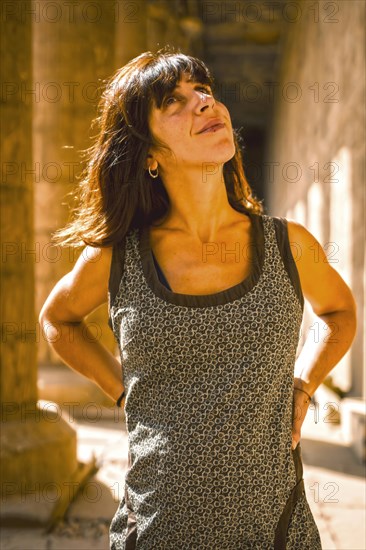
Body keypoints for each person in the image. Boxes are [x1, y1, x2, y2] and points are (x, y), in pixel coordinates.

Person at [39, 48, 357, 549]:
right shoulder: (118, 255)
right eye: (175, 100)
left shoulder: (288, 244)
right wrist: (123, 391)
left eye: (204, 91)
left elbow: (340, 312)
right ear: (148, 153)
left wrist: (304, 383)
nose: (205, 103)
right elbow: (58, 318)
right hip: (158, 526)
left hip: (274, 531)